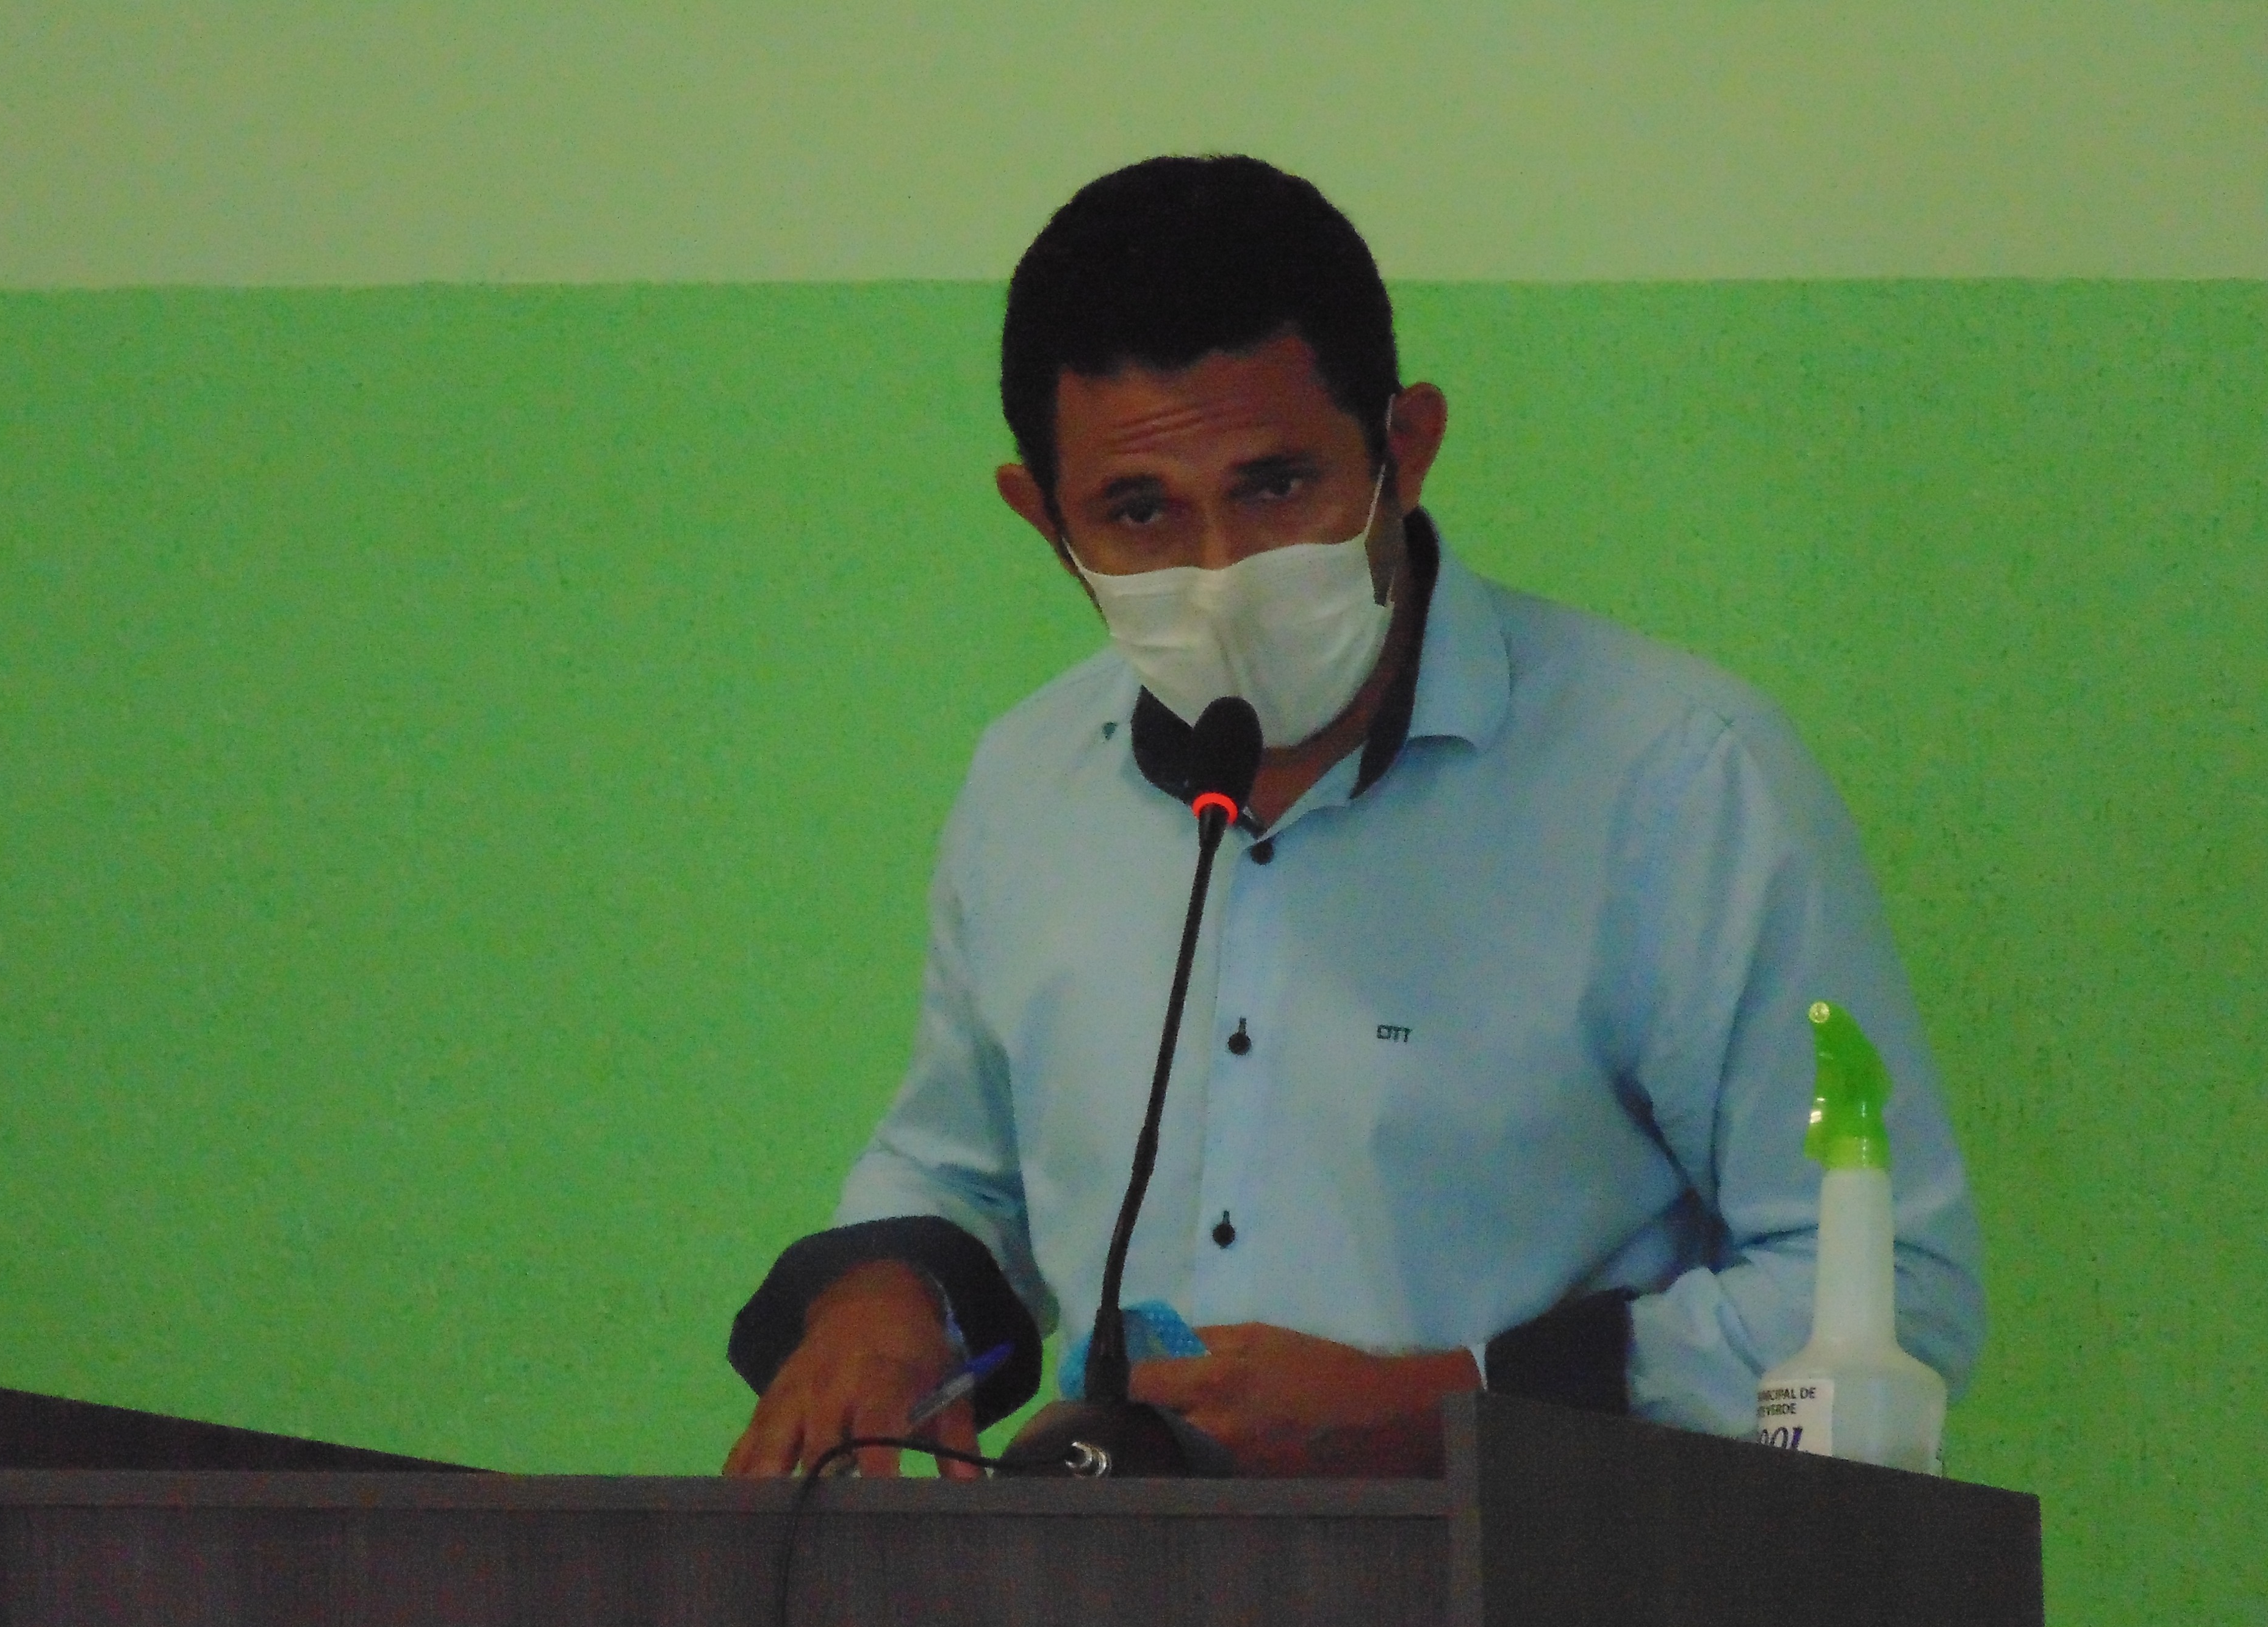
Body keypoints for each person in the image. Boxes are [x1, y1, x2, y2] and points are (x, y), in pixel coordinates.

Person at [722, 156, 1984, 1480]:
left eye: (1277, 488)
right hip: (1110, 1592)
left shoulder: (1675, 780)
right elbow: (960, 1174)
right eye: (1139, 512)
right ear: (1043, 518)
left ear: (1406, 450)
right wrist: (889, 1303)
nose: (1222, 575)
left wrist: (1454, 1404)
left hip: (1546, 1581)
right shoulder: (1028, 784)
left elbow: (1896, 1288)